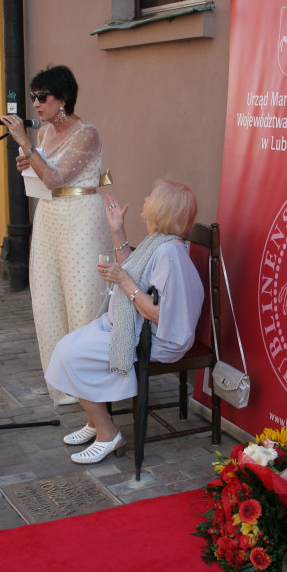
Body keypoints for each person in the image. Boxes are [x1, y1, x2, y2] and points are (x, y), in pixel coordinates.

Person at [45, 180, 204, 463]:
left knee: (69, 355)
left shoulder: (170, 252)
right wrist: (117, 229)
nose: (144, 197)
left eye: (150, 196)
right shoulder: (160, 242)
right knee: (69, 346)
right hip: (128, 326)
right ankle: (96, 420)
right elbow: (133, 268)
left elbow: (161, 315)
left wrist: (123, 281)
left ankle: (108, 433)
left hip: (155, 337)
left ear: (160, 209)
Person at [2, 65, 111, 406]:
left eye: (42, 97)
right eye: (33, 97)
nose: (36, 104)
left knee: (83, 302)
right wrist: (28, 160)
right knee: (49, 298)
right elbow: (43, 173)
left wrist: (23, 143)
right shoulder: (47, 133)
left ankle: (93, 392)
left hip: (81, 219)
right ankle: (65, 387)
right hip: (49, 217)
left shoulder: (86, 134)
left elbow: (55, 178)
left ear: (63, 99)